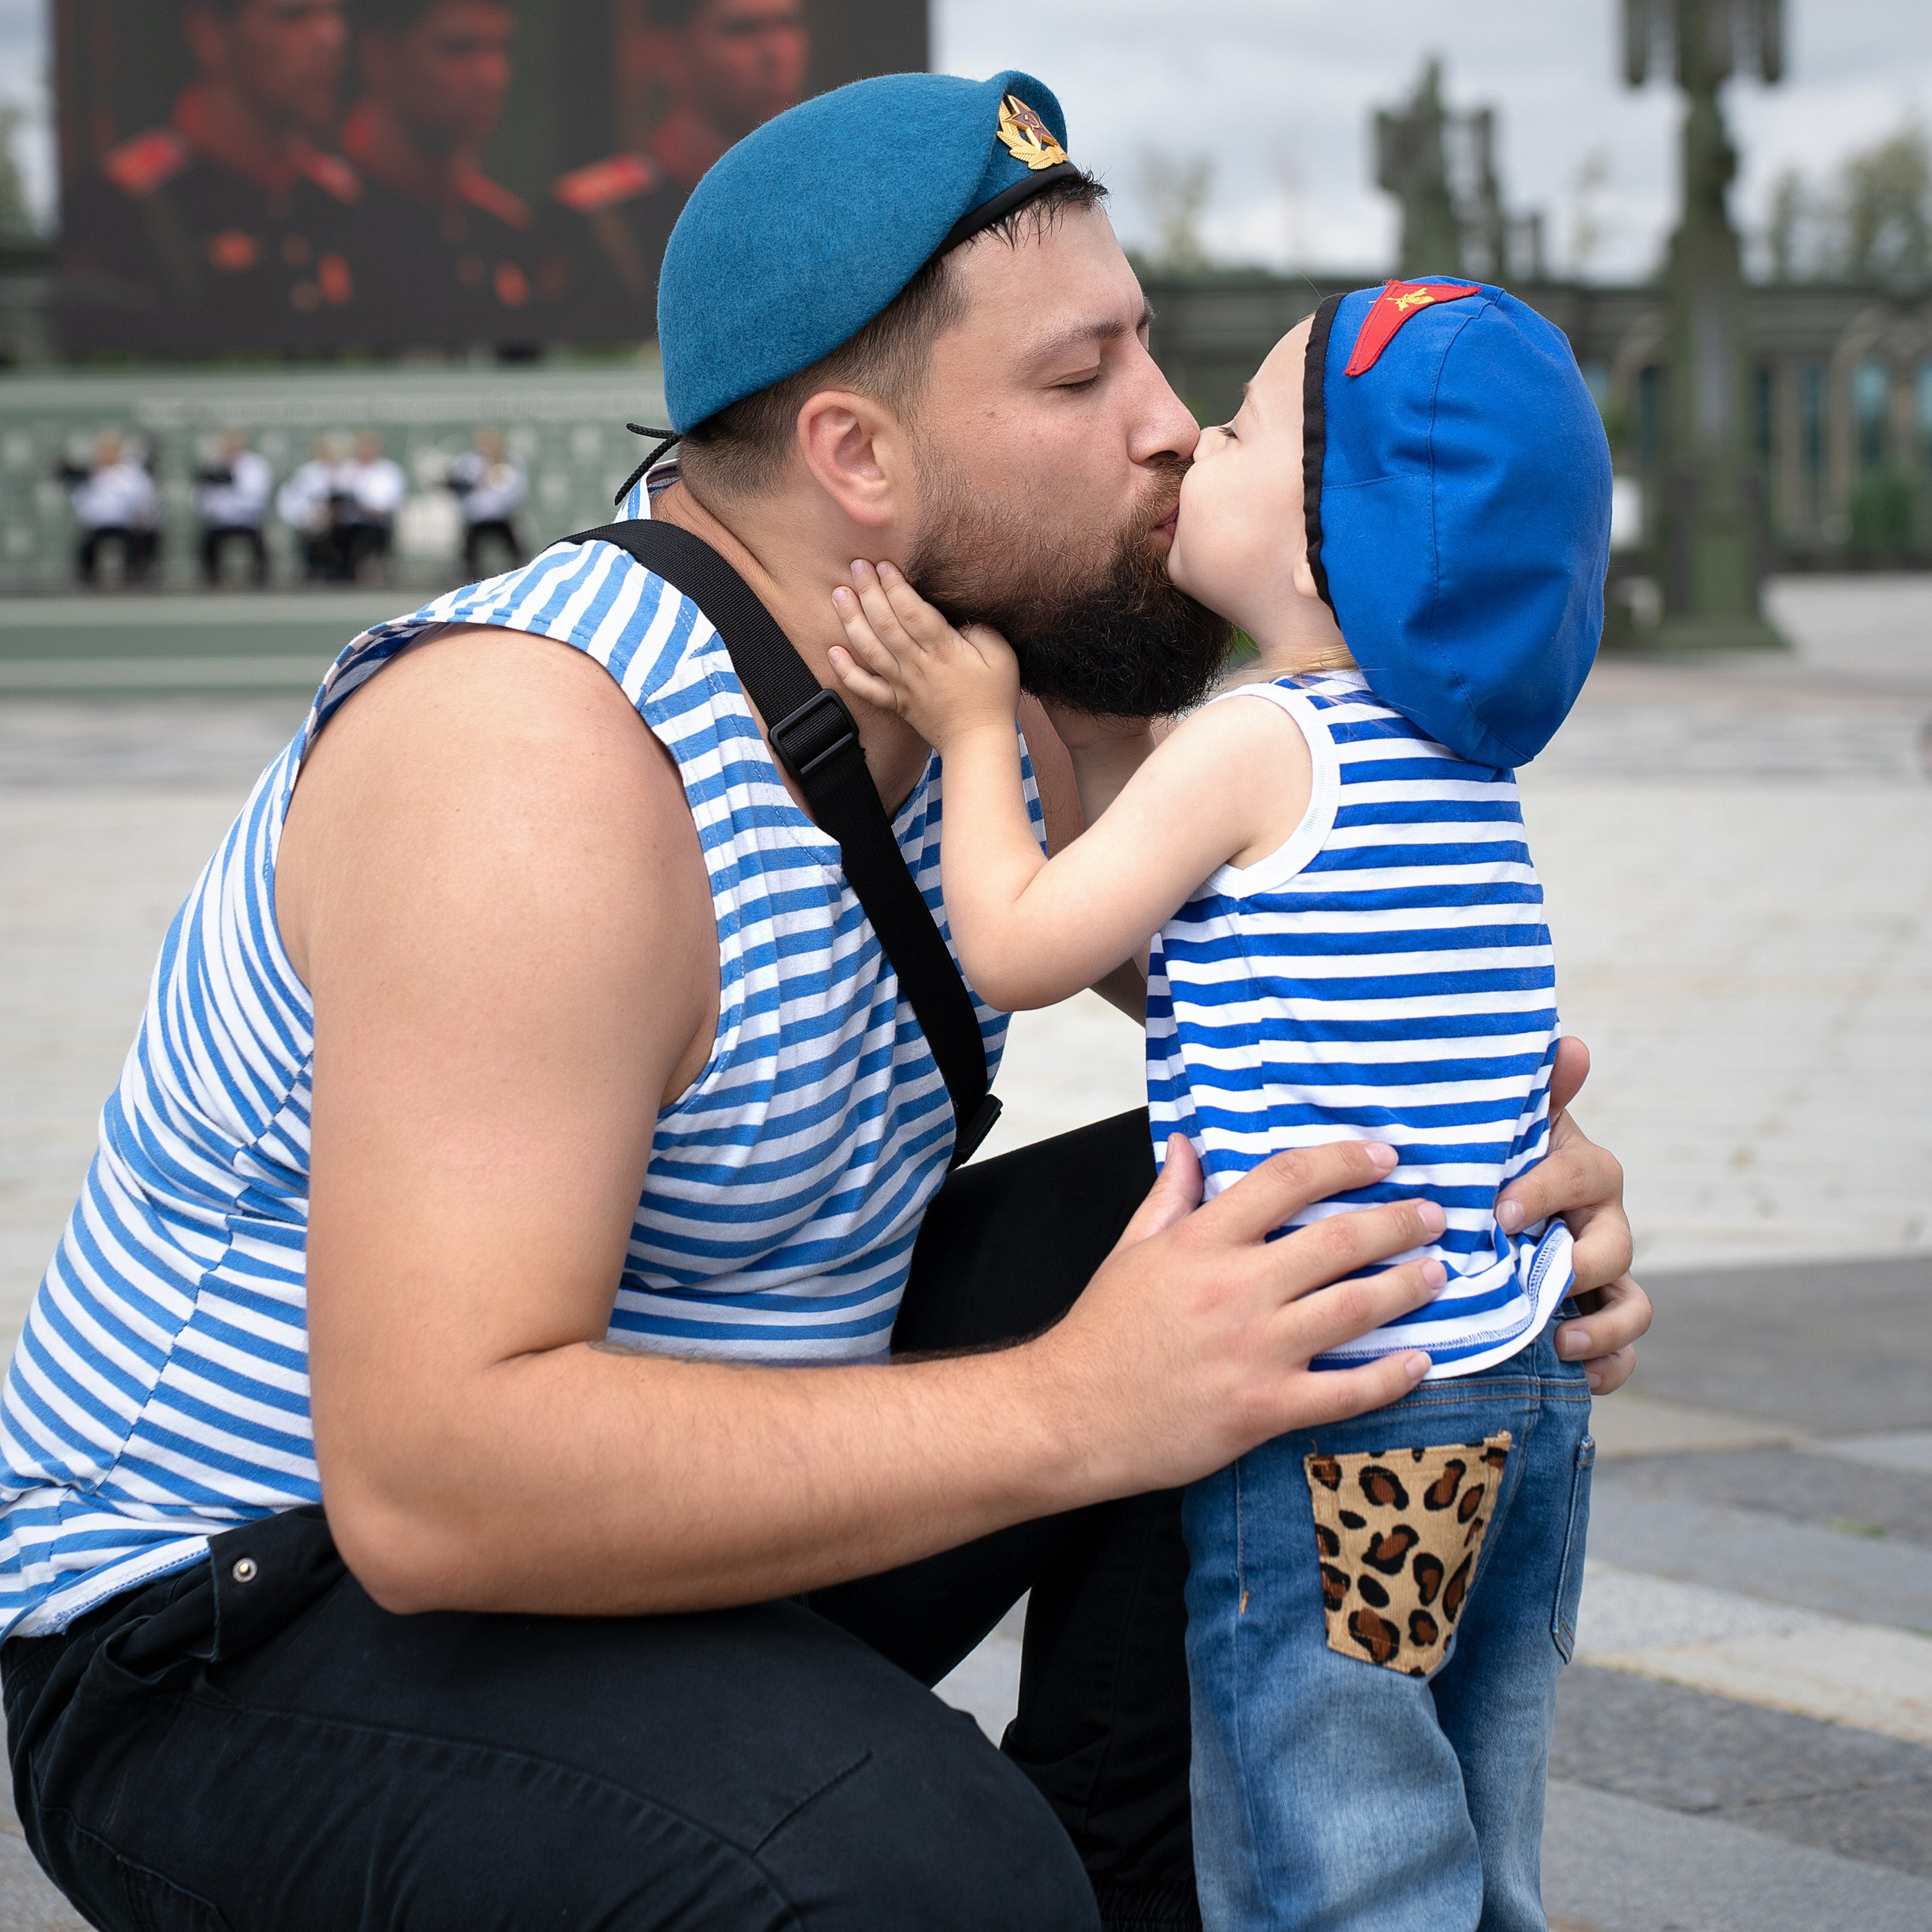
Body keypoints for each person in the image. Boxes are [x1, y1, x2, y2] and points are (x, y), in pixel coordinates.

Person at [0, 75, 1648, 1932]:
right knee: (915, 1882)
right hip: (251, 1627)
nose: (1171, 433)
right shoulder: (540, 760)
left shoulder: (988, 704)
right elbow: (430, 1482)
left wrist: (1476, 1204)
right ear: (857, 458)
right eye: (1078, 376)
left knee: (1262, 1230)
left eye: (1156, 359)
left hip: (667, 1471)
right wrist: (1078, 1404)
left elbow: (1305, 1010)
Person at [827, 278, 1612, 1932]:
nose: (1191, 437)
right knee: (1473, 1833)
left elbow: (1024, 942)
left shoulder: (1258, 738)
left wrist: (978, 731)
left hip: (1344, 1411)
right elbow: (1238, 969)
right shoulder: (1454, 769)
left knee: (1321, 1845)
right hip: (1519, 1385)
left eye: (1244, 427)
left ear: (1332, 529)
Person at [57, 0, 361, 355]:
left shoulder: (340, 192)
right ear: (210, 34)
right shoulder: (123, 199)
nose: (331, 36)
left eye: (338, 14)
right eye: (292, 15)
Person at [538, 0, 805, 342]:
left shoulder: (818, 197)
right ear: (670, 53)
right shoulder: (597, 220)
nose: (776, 52)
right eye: (741, 29)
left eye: (788, 24)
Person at [342, 0, 535, 346]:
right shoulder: (322, 211)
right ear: (379, 56)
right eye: (458, 49)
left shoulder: (502, 230)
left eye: (500, 48)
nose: (490, 76)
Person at [60, 431, 160, 586]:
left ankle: (135, 578)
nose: (108, 455)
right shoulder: (90, 474)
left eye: (112, 451)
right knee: (85, 542)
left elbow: (139, 497)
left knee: (140, 540)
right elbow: (79, 497)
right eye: (104, 452)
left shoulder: (129, 474)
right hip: (97, 525)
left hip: (124, 524)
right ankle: (86, 579)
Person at [195, 429, 275, 586]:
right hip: (220, 521)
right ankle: (211, 579)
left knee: (259, 539)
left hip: (248, 521)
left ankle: (260, 579)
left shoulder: (256, 465)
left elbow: (258, 495)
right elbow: (202, 496)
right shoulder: (213, 464)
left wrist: (232, 488)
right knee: (208, 538)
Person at [448, 424, 527, 575]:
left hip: (502, 518)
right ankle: (468, 578)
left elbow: (517, 489)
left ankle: (519, 577)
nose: (489, 447)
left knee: (516, 552)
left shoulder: (511, 461)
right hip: (476, 519)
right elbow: (458, 485)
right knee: (468, 555)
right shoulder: (468, 462)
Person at [277, 432, 352, 579]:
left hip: (342, 527)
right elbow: (291, 500)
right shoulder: (306, 474)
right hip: (311, 525)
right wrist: (308, 517)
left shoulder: (349, 472)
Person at [339, 428, 408, 577]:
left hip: (374, 523)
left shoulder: (389, 471)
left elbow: (389, 501)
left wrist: (370, 506)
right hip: (347, 523)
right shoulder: (347, 469)